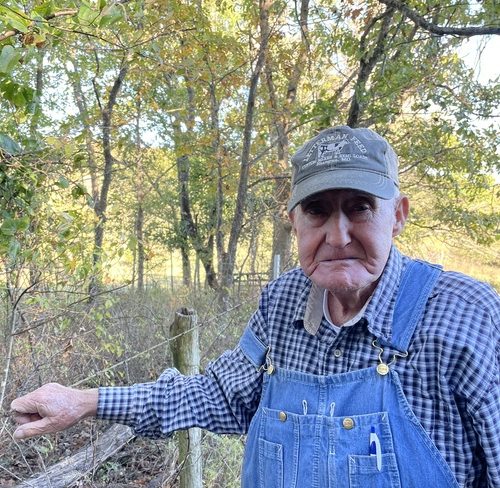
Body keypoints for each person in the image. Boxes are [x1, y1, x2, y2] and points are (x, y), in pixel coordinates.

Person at [11, 126, 499, 487]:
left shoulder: (467, 316)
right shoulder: (282, 300)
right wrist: (86, 401)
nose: (338, 235)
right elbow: (219, 397)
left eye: (359, 207)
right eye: (317, 211)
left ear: (398, 215)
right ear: (294, 222)